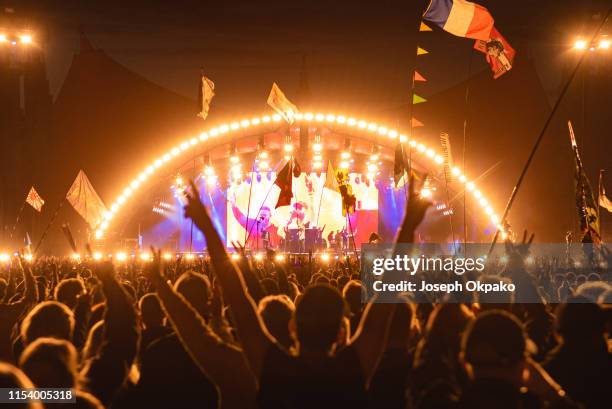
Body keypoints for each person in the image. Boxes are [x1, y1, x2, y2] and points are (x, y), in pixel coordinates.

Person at [182, 172, 430, 409]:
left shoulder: (273, 368)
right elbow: (385, 296)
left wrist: (206, 227)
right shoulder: (353, 368)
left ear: (293, 327)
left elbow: (237, 298)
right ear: (343, 332)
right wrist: (408, 226)